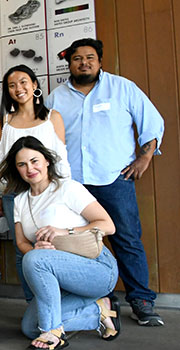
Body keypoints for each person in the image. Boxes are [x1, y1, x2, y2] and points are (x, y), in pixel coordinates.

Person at [46, 38, 165, 326]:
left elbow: (152, 122)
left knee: (126, 239)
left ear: (100, 61)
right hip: (73, 185)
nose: (83, 62)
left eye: (89, 57)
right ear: (69, 63)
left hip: (114, 179)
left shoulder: (122, 88)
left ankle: (142, 301)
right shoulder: (55, 97)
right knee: (75, 242)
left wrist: (144, 158)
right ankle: (91, 300)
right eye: (77, 58)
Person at [0, 136, 120, 350]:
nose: (30, 168)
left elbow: (108, 225)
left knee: (36, 266)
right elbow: (22, 243)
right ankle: (98, 311)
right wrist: (35, 249)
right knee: (29, 327)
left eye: (35, 161)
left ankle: (53, 334)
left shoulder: (67, 188)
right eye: (22, 164)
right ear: (16, 169)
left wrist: (65, 232)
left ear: (46, 160)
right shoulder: (19, 200)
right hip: (59, 276)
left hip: (97, 269)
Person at [0, 64, 70, 301]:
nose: (18, 88)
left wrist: (66, 192)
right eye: (12, 85)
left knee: (52, 245)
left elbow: (61, 159)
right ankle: (33, 303)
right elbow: (2, 160)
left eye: (23, 82)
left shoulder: (51, 117)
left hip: (48, 193)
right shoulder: (7, 120)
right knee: (21, 249)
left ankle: (57, 302)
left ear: (34, 84)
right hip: (14, 194)